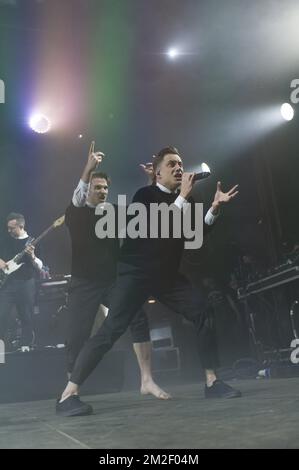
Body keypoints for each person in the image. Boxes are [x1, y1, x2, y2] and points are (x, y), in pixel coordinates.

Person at [57, 145, 241, 416]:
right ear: (157, 173)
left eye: (180, 163)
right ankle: (68, 395)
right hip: (136, 273)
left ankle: (212, 381)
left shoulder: (184, 199)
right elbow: (158, 230)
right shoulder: (144, 195)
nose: (179, 168)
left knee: (202, 310)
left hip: (166, 276)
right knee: (111, 330)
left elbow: (196, 233)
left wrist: (213, 208)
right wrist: (183, 199)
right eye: (171, 164)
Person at [62, 143, 169, 416]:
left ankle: (146, 380)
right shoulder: (76, 213)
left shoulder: (113, 213)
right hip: (84, 283)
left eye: (105, 188)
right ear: (88, 190)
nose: (102, 191)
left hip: (112, 281)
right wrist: (88, 169)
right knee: (77, 336)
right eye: (97, 187)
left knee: (138, 317)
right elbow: (77, 196)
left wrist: (150, 180)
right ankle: (70, 391)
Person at [0, 212, 43, 348]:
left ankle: (26, 347)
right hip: (7, 284)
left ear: (21, 226)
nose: (9, 230)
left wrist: (33, 256)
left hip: (26, 283)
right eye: (8, 228)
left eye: (11, 228)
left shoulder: (32, 242)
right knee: (2, 315)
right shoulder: (5, 240)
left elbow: (40, 266)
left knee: (26, 316)